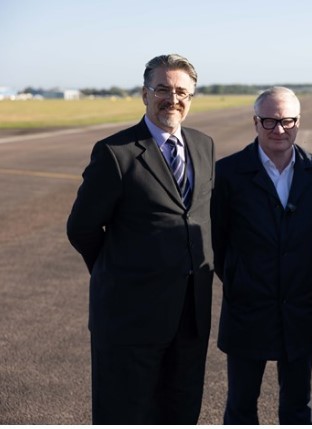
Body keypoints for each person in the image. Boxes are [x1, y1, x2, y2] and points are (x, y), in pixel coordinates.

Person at [66, 54, 215, 424]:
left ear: (192, 97)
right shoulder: (115, 153)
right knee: (125, 413)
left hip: (189, 316)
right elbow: (81, 227)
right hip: (128, 318)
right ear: (144, 94)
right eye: (162, 89)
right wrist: (118, 273)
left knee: (181, 412)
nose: (173, 99)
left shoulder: (203, 145)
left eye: (182, 91)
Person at [211, 86, 312, 424]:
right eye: (269, 121)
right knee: (241, 405)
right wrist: (239, 276)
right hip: (248, 307)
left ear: (298, 123)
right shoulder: (229, 173)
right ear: (255, 122)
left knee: (297, 406)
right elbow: (218, 240)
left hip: (299, 308)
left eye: (287, 121)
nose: (279, 129)